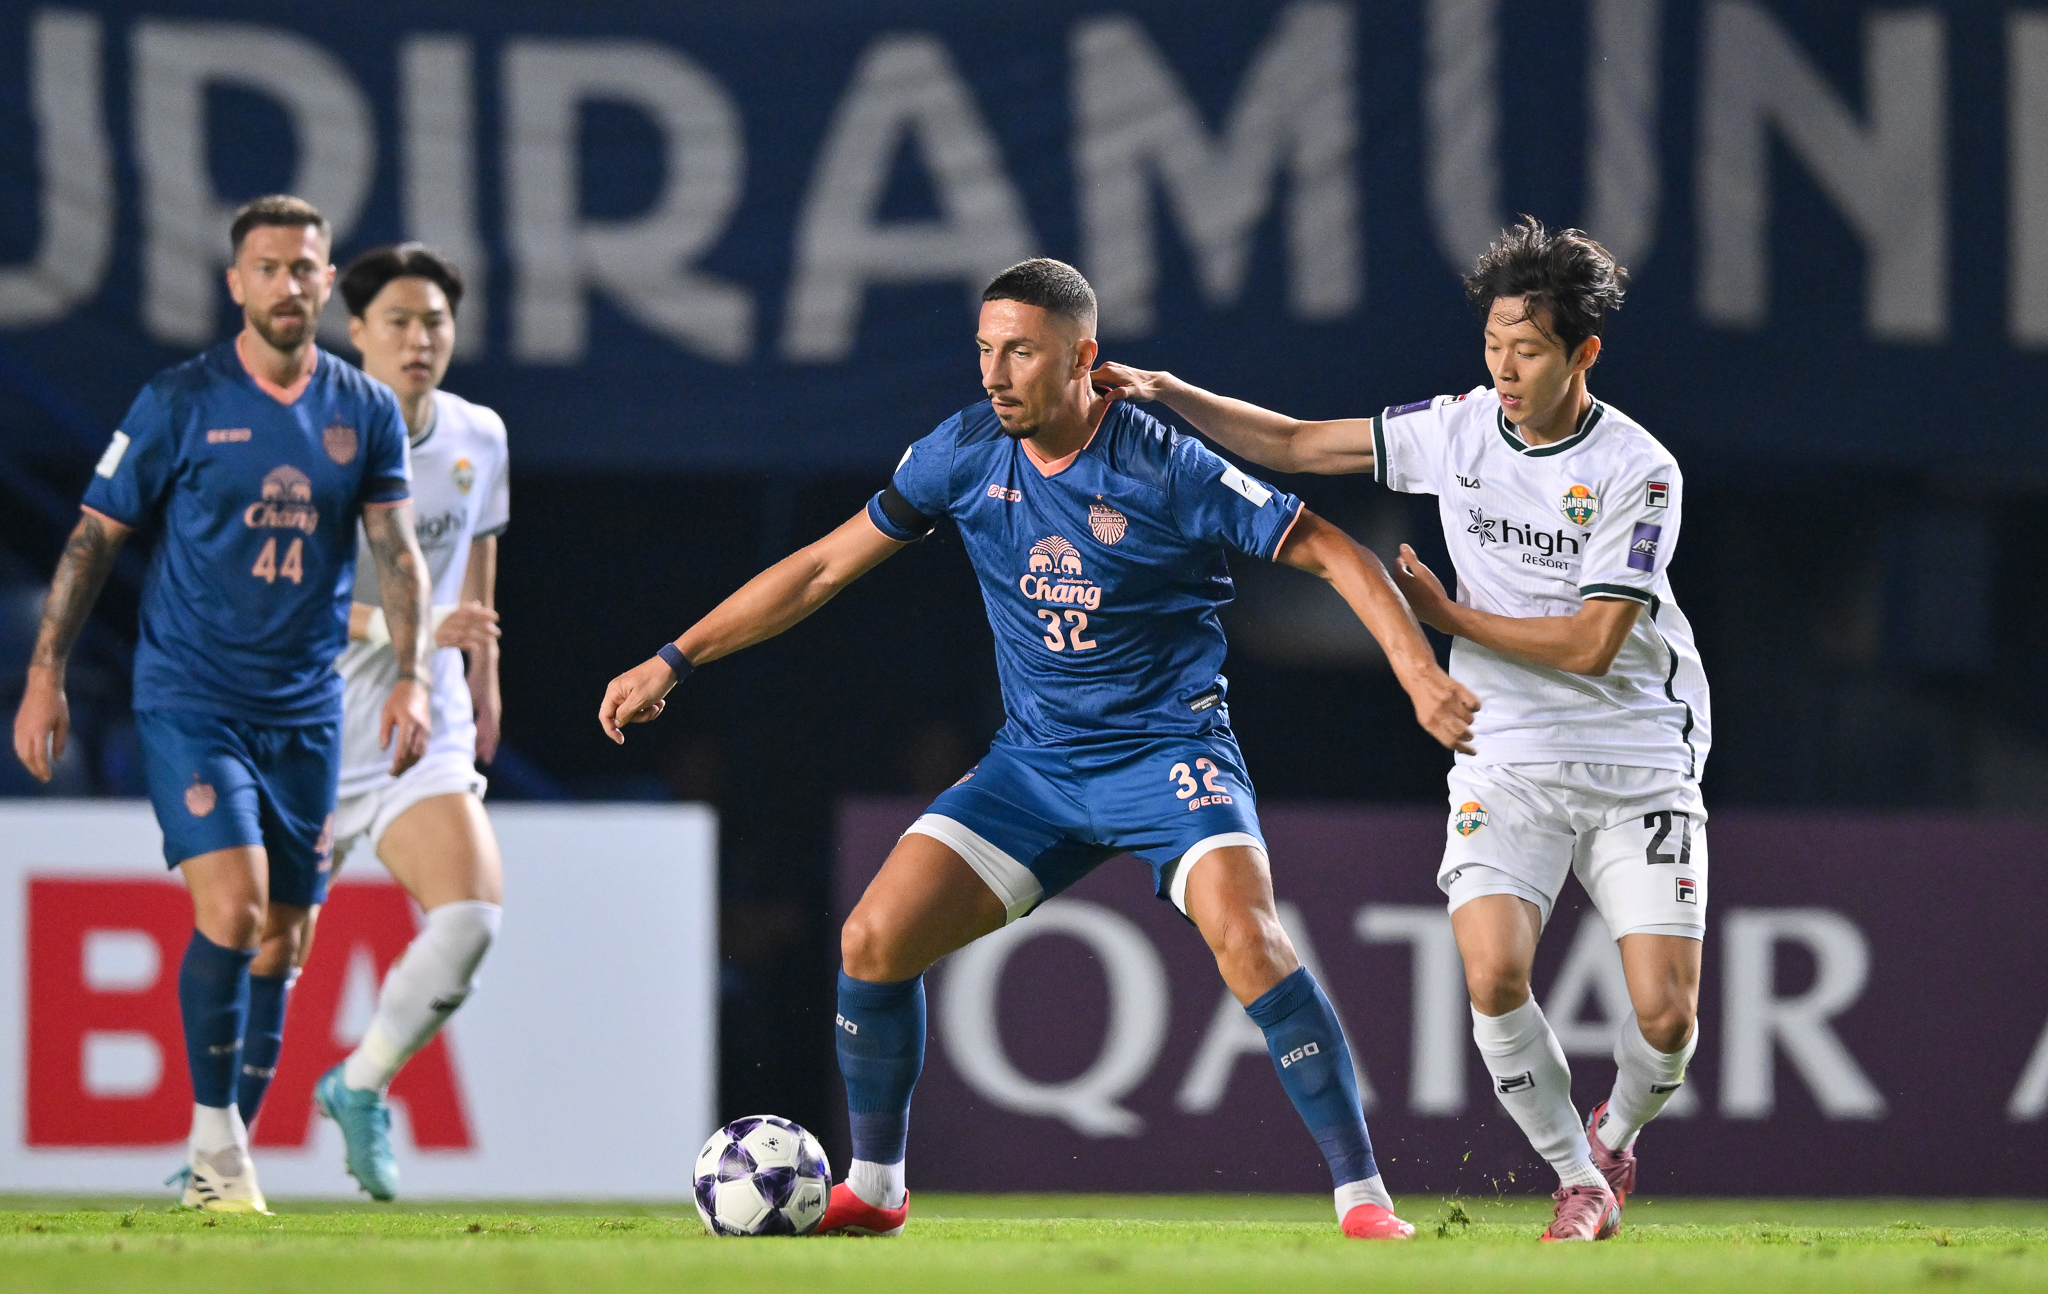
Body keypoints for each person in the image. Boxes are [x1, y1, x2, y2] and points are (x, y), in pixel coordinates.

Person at [599, 259, 1479, 1240]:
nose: (994, 373)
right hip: (1035, 768)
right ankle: (877, 1187)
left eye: (1019, 351)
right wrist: (676, 657)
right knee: (872, 941)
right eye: (984, 350)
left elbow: (1333, 550)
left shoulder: (1161, 463)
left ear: (1081, 357)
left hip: (1168, 755)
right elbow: (818, 569)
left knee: (1250, 938)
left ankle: (1363, 1198)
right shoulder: (963, 451)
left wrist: (1418, 673)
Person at [1094, 217, 1711, 1241]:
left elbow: (1593, 643)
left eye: (1527, 350)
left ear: (1583, 354)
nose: (1503, 369)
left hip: (1636, 756)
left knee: (1666, 1016)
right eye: (1492, 344)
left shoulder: (1636, 469)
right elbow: (1295, 443)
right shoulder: (1459, 428)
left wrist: (1446, 619)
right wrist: (1169, 391)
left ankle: (1614, 1133)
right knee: (1492, 973)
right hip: (1504, 750)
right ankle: (1578, 1181)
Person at [10, 195, 430, 1214]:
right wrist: (45, 672)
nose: (288, 284)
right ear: (236, 283)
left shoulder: (364, 411)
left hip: (307, 711)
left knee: (285, 940)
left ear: (327, 282)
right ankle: (215, 1147)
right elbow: (93, 538)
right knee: (234, 908)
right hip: (192, 697)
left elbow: (396, 555)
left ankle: (217, 1153)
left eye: (304, 268)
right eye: (268, 267)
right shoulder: (180, 400)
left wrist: (413, 676)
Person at [244, 243, 508, 1202]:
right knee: (272, 951)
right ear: (355, 332)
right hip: (306, 724)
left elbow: (476, 556)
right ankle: (217, 1146)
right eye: (398, 321)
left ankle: (359, 1084)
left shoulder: (479, 432)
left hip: (418, 723)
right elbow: (282, 595)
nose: (419, 338)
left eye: (435, 320)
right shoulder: (308, 439)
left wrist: (483, 674)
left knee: (471, 916)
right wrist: (417, 627)